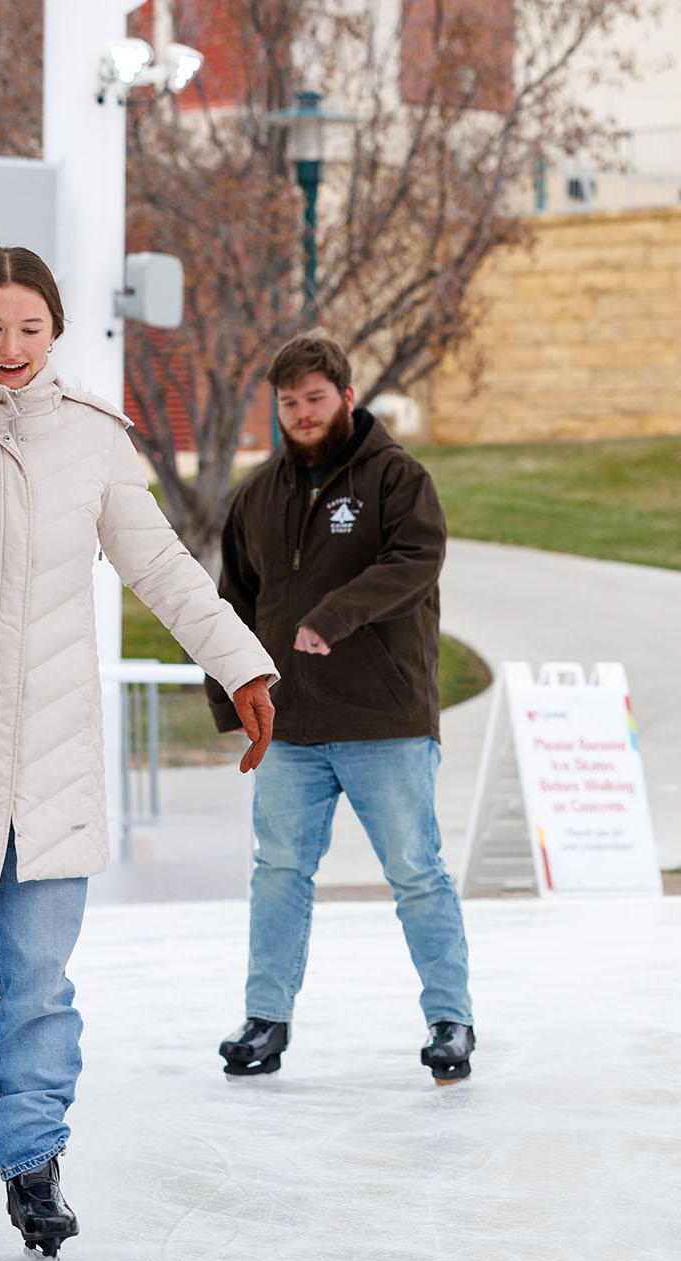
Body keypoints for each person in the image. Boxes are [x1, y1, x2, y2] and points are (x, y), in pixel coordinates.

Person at [0, 246, 278, 1261]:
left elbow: (164, 568)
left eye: (30, 328)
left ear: (55, 331)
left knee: (38, 986)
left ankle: (33, 1163)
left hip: (50, 756)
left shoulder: (92, 441)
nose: (11, 347)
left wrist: (243, 668)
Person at [206, 336, 476, 1085]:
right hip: (291, 727)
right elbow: (234, 603)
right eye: (288, 403)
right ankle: (266, 1020)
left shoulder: (397, 479)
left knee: (416, 871)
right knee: (279, 871)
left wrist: (336, 614)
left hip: (384, 719)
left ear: (346, 399)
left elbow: (416, 559)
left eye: (313, 400)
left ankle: (450, 1020)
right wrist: (232, 697)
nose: (300, 414)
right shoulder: (258, 495)